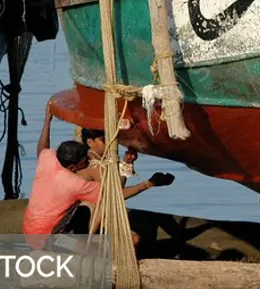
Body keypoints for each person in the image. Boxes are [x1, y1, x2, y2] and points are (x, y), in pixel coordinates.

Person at [23, 101, 174, 250]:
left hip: (29, 231)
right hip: (47, 239)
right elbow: (115, 195)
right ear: (72, 167)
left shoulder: (48, 159)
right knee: (102, 247)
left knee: (83, 215)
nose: (88, 161)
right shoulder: (75, 184)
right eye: (84, 161)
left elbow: (42, 148)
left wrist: (47, 119)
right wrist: (149, 183)